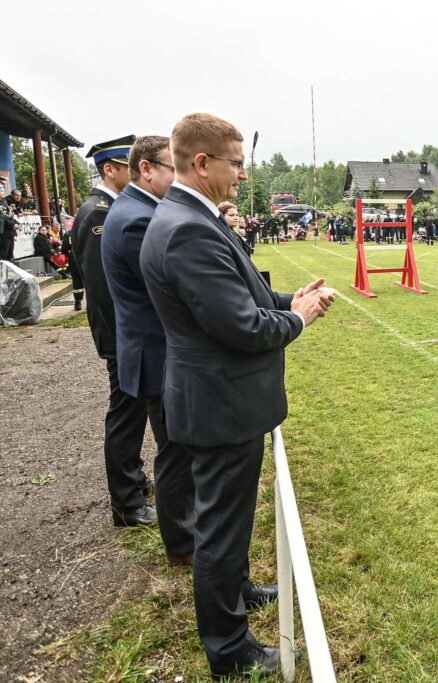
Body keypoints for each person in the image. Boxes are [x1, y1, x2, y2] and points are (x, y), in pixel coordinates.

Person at [140, 113, 334, 680]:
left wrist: (287, 297)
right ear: (202, 164)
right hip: (220, 404)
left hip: (220, 398)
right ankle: (230, 649)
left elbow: (241, 290)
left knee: (230, 521)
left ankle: (239, 589)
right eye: (236, 163)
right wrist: (295, 319)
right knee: (220, 531)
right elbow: (242, 326)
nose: (243, 175)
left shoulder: (190, 217)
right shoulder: (188, 228)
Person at [101, 135, 195, 566]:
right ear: (146, 169)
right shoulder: (137, 218)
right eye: (172, 167)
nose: (178, 177)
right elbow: (170, 283)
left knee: (175, 446)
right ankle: (184, 545)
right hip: (157, 351)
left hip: (151, 346)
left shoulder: (138, 210)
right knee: (175, 450)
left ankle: (184, 536)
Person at [71, 135, 158, 528]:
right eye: (129, 167)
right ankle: (126, 503)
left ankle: (135, 482)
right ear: (110, 169)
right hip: (122, 336)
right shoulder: (98, 214)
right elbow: (104, 291)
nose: (137, 173)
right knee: (126, 414)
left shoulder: (111, 209)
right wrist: (123, 344)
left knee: (133, 410)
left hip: (127, 336)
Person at [1, 189, 21, 261]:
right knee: (4, 253)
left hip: (10, 232)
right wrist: (12, 224)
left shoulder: (4, 201)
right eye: (1, 190)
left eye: (3, 190)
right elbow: (3, 216)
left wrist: (17, 223)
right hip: (4, 231)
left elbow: (10, 215)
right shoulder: (5, 201)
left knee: (10, 254)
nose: (3, 192)